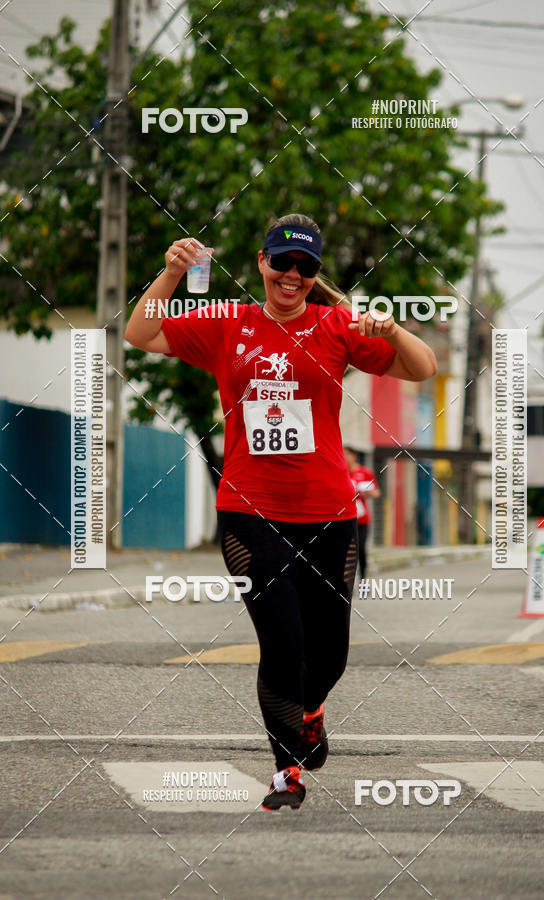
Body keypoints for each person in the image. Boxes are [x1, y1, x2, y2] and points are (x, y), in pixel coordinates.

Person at [124, 213, 437, 811]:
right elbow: (142, 333)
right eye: (282, 262)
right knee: (283, 644)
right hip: (250, 511)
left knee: (330, 654)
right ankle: (286, 771)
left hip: (329, 512)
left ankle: (312, 710)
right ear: (262, 263)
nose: (292, 274)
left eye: (305, 266)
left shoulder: (337, 325)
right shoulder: (227, 322)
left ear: (315, 273)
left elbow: (422, 367)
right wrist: (170, 274)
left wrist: (392, 330)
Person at [343, 446, 380, 580]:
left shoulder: (365, 472)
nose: (344, 457)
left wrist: (366, 491)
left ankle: (363, 579)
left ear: (354, 456)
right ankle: (347, 582)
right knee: (345, 551)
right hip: (344, 518)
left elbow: (376, 493)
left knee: (361, 549)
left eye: (346, 454)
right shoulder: (340, 472)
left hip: (361, 519)